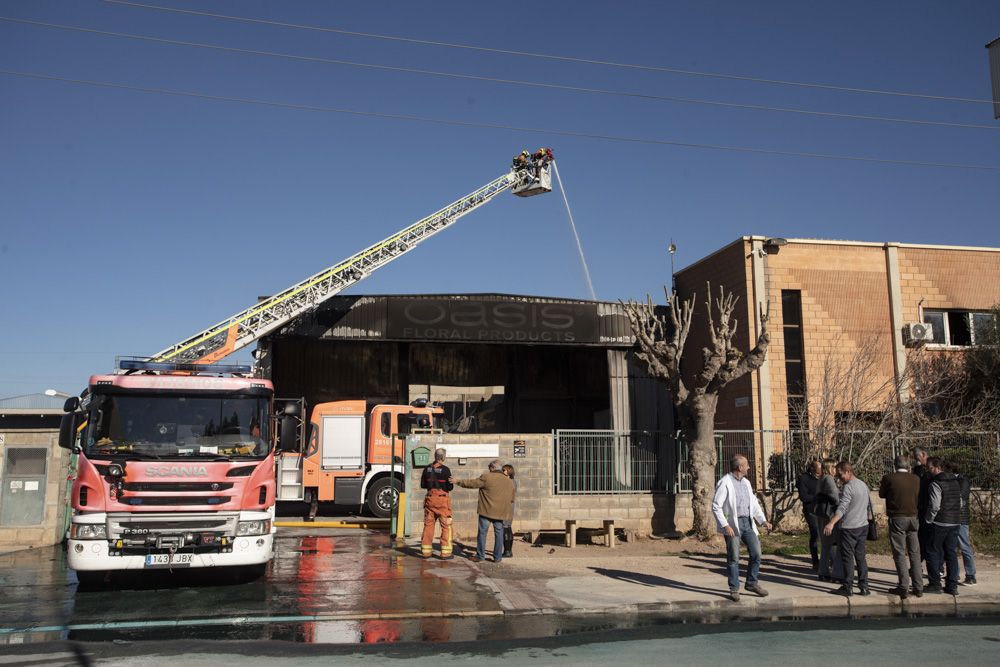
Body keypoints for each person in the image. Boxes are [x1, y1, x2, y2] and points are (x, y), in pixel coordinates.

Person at [711, 454, 772, 602]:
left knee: (756, 554)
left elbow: (754, 504)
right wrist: (725, 525)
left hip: (748, 523)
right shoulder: (725, 482)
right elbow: (716, 506)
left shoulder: (746, 483)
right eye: (746, 465)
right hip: (733, 524)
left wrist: (763, 521)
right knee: (734, 557)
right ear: (740, 467)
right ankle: (734, 588)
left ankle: (751, 583)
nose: (749, 467)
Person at [823, 461, 871, 597]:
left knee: (848, 557)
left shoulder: (848, 487)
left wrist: (831, 523)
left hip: (849, 527)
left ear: (848, 472)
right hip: (863, 526)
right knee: (861, 557)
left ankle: (848, 586)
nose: (839, 477)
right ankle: (864, 586)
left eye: (841, 474)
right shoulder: (863, 485)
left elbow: (842, 508)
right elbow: (869, 505)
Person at [453, 459, 515, 564]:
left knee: (482, 533)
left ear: (493, 467)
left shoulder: (486, 477)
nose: (488, 469)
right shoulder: (509, 481)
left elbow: (472, 483)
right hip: (501, 513)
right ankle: (497, 557)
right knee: (499, 534)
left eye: (489, 467)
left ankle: (480, 556)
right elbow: (512, 498)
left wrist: (458, 481)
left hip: (486, 511)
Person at [878, 454, 922, 598]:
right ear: (908, 465)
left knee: (900, 553)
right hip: (913, 517)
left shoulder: (889, 478)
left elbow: (881, 494)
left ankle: (904, 585)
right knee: (915, 553)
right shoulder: (916, 479)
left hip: (897, 517)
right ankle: (918, 586)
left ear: (895, 465)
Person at [924, 457, 962, 595]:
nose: (928, 471)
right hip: (955, 521)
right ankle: (952, 585)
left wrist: (929, 519)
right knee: (951, 553)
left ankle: (935, 583)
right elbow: (961, 501)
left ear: (936, 467)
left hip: (940, 522)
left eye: (929, 468)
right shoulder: (955, 481)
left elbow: (935, 505)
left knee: (932, 551)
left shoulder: (936, 483)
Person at [420, 448, 454, 559]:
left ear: (435, 456)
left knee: (428, 525)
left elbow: (423, 485)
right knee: (446, 525)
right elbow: (450, 487)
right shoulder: (446, 470)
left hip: (430, 499)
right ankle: (445, 552)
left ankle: (426, 551)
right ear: (443, 457)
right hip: (442, 500)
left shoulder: (427, 469)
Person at [814, 458, 843, 583]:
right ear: (830, 467)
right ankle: (836, 573)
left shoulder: (821, 479)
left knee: (826, 545)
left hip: (821, 515)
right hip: (829, 516)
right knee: (835, 544)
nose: (836, 469)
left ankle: (823, 572)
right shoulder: (829, 479)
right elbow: (835, 497)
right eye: (834, 466)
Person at [952, 463, 977, 586]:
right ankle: (954, 574)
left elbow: (960, 499)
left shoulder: (962, 481)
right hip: (954, 518)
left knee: (964, 546)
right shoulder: (957, 480)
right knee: (952, 548)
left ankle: (971, 575)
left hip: (961, 519)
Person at [796, 459, 822, 571]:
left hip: (823, 510)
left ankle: (828, 560)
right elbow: (804, 497)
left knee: (826, 535)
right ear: (812, 469)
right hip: (811, 510)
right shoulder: (804, 479)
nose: (820, 473)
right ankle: (815, 562)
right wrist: (818, 497)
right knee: (815, 534)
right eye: (818, 471)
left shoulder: (823, 478)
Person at [913, 446, 932, 565]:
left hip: (930, 508)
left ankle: (937, 567)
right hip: (921, 508)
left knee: (930, 540)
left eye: (918, 458)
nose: (917, 461)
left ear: (924, 454)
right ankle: (918, 565)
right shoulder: (919, 469)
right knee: (921, 538)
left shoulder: (933, 467)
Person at [502, 464, 517, 558]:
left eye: (504, 470)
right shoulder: (513, 481)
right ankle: (508, 550)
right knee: (508, 527)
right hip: (510, 506)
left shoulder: (508, 481)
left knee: (506, 527)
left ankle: (507, 551)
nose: (502, 472)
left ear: (508, 471)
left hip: (507, 506)